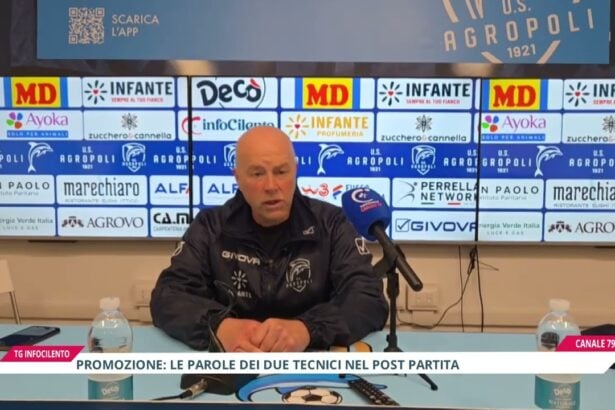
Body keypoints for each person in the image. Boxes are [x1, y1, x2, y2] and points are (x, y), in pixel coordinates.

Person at [150, 126, 388, 352]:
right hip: (234, 360)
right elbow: (168, 297)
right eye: (257, 174)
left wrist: (307, 329)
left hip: (309, 361)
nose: (271, 186)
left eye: (281, 172)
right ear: (238, 178)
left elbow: (367, 298)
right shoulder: (210, 226)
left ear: (295, 171)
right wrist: (219, 326)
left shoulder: (331, 223)